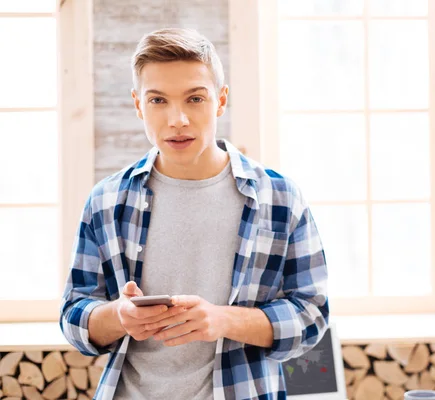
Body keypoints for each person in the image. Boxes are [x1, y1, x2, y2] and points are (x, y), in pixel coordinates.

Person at [59, 28, 329, 400]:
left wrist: (222, 320)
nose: (178, 119)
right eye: (158, 101)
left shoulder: (280, 198)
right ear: (138, 105)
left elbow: (312, 317)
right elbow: (73, 314)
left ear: (220, 100)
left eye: (194, 98)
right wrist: (119, 316)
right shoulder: (106, 201)